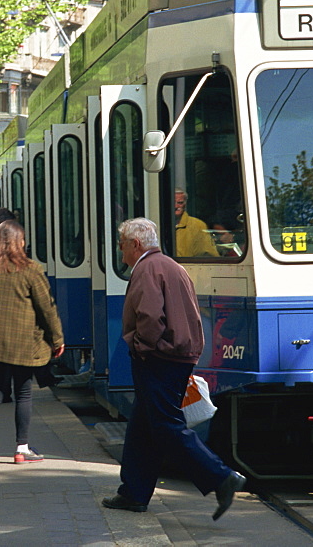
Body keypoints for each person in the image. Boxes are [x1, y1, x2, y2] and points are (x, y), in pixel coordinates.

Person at [102, 218, 244, 519]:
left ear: (136, 245)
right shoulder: (171, 265)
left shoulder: (145, 269)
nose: (121, 251)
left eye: (122, 245)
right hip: (178, 355)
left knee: (166, 425)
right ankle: (133, 492)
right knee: (143, 425)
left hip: (159, 357)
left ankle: (221, 477)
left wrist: (141, 346)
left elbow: (150, 317)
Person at [0, 220, 63, 469]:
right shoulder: (31, 269)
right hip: (24, 344)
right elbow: (46, 308)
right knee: (23, 393)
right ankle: (21, 449)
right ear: (20, 242)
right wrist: (57, 339)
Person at [174, 188, 219, 258]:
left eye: (180, 203)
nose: (176, 206)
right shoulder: (156, 225)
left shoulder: (198, 225)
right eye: (172, 202)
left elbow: (210, 255)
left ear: (185, 204)